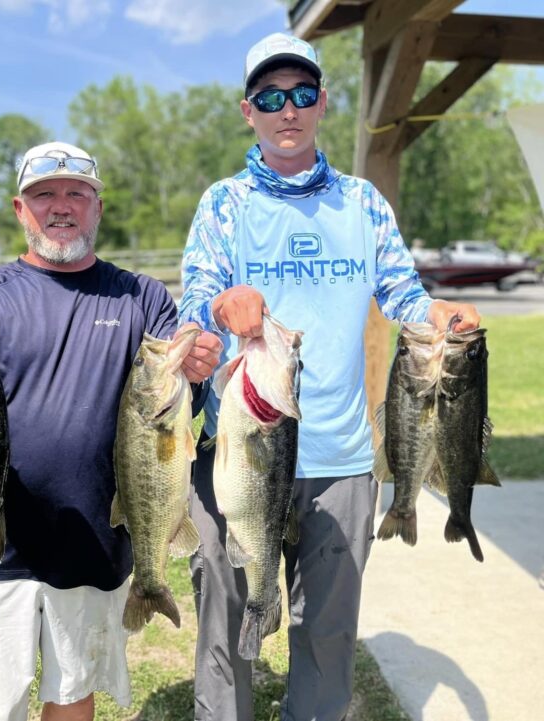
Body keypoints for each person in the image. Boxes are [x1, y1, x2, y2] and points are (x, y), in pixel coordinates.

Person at [178, 33, 481, 721]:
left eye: (303, 93)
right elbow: (193, 303)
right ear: (247, 110)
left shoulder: (364, 204)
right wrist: (222, 304)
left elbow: (404, 294)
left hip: (341, 461)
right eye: (272, 97)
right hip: (240, 455)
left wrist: (441, 311)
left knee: (328, 636)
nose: (289, 108)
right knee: (226, 627)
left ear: (322, 103)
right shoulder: (223, 204)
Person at [0, 140, 222, 721]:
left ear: (98, 207)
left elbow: (171, 416)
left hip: (97, 538)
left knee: (72, 693)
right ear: (21, 209)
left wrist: (197, 367)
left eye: (76, 194)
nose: (61, 207)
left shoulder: (141, 297)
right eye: (44, 195)